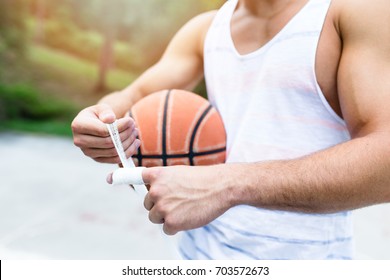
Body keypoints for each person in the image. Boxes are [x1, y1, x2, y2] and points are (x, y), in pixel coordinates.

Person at [72, 0, 390, 259]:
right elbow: (135, 96)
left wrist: (228, 185)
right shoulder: (206, 28)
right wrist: (104, 119)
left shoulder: (355, 11)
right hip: (196, 259)